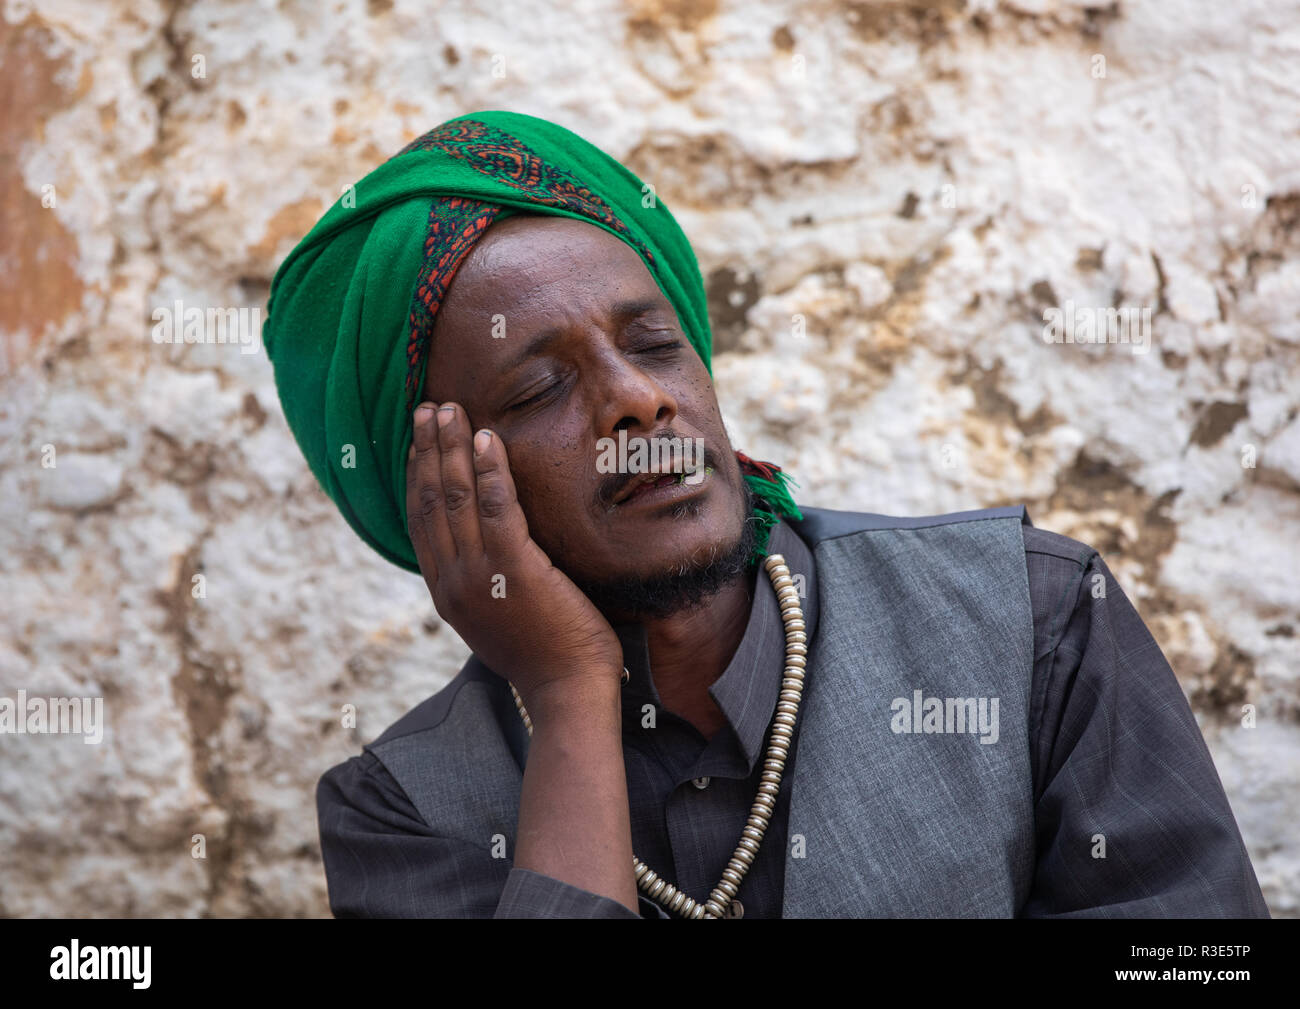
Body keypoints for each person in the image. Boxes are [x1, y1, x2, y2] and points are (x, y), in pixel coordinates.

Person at [263, 111, 1270, 918]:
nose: (637, 402)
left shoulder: (1031, 623)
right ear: (437, 492)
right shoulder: (404, 810)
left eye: (654, 342)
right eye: (536, 392)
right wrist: (569, 695)